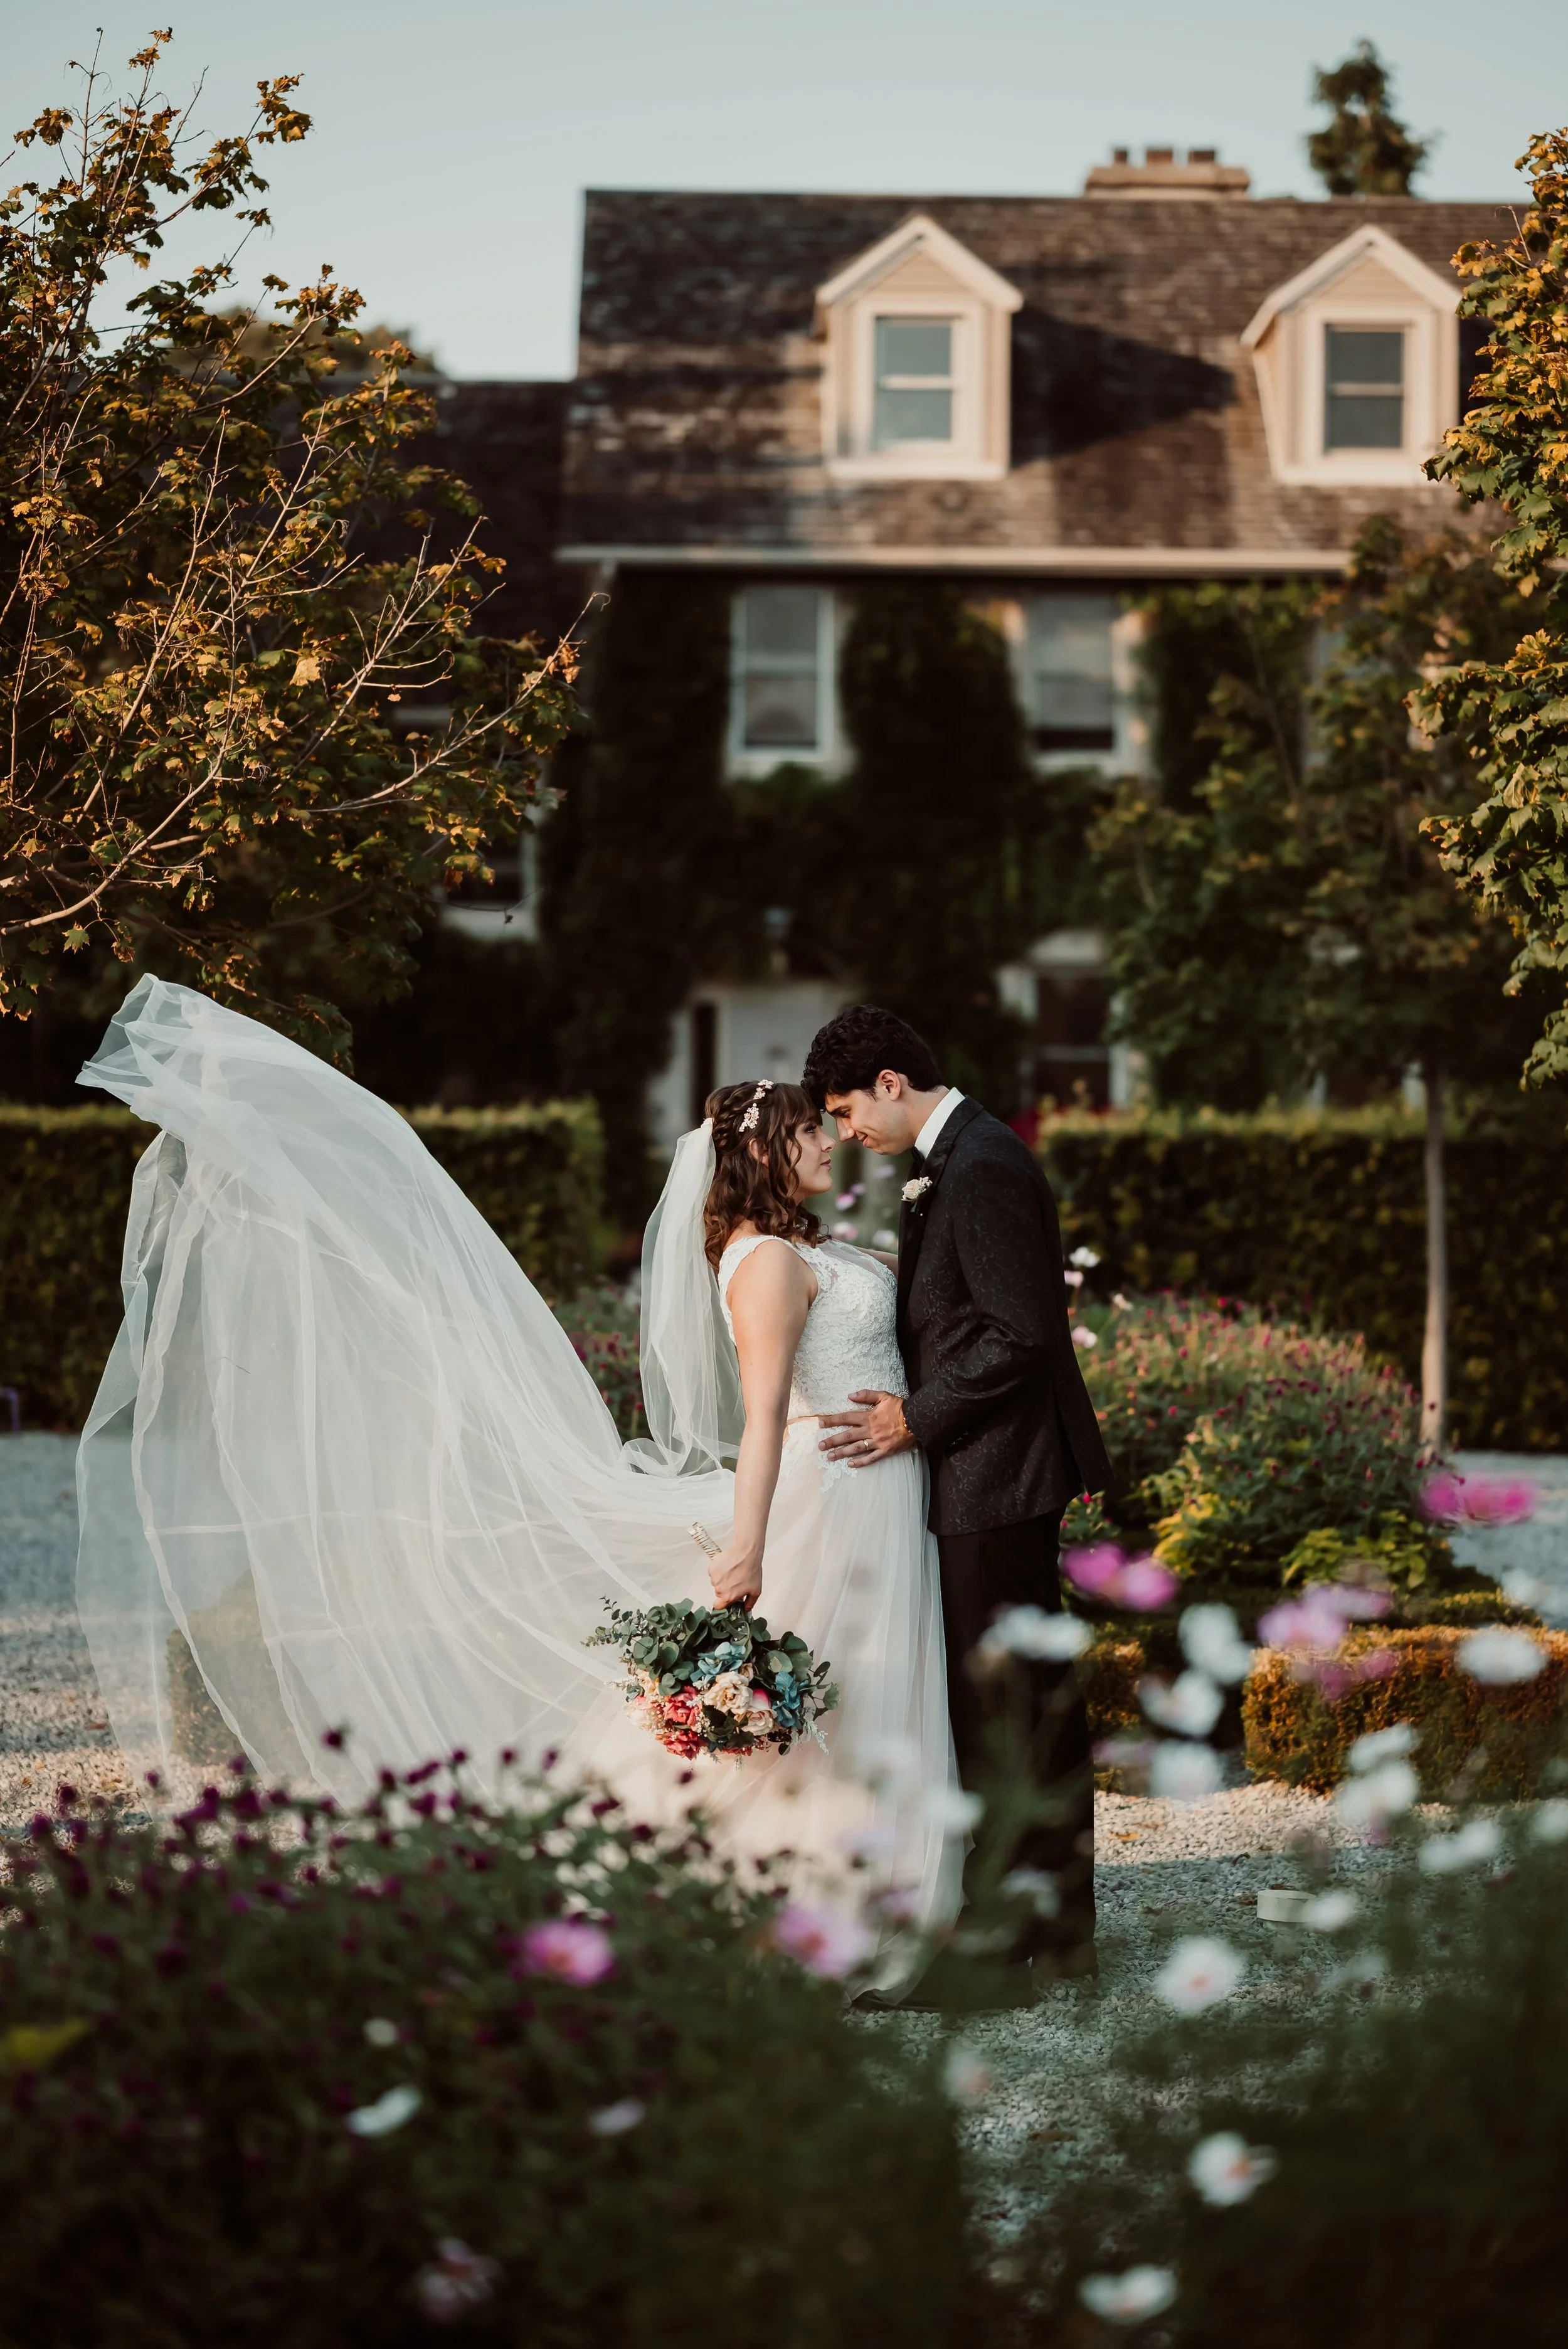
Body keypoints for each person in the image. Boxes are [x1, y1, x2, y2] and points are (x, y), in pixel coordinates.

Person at [73, 978, 961, 1981]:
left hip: (882, 1484)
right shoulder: (763, 1262)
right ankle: (757, 1904)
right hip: (831, 1492)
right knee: (821, 1701)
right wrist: (749, 1542)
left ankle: (872, 1899)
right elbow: (763, 1415)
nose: (829, 1141)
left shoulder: (816, 1245)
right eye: (810, 1130)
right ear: (765, 1150)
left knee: (866, 1690)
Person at [802, 1004, 1113, 1979]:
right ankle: (1045, 1930)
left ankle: (1018, 1942)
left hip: (997, 1475)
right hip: (990, 1472)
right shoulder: (962, 1159)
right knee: (1019, 1706)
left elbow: (1021, 1332)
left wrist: (913, 1418)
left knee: (1011, 1713)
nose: (848, 1133)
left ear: (891, 1084)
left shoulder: (979, 1167)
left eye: (849, 1112)